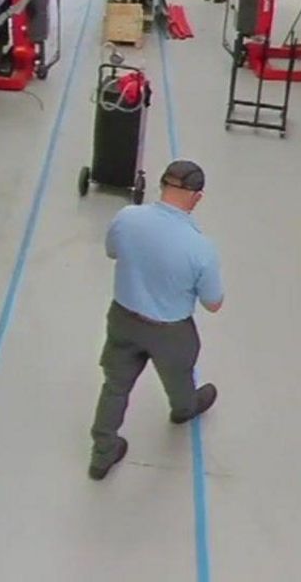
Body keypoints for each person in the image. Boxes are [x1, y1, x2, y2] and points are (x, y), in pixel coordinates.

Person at [89, 159, 222, 481]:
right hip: (171, 331)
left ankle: (102, 453)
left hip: (123, 318)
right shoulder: (200, 247)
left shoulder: (127, 218)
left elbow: (112, 252)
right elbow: (213, 303)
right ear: (197, 196)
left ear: (163, 185)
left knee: (115, 386)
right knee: (179, 378)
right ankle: (184, 409)